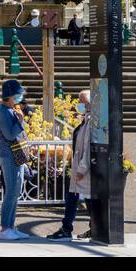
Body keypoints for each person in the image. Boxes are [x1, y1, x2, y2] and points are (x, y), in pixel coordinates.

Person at [47, 89, 93, 241]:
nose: (78, 104)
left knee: (82, 197)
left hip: (83, 168)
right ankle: (75, 227)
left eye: (81, 101)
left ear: (88, 103)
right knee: (79, 197)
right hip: (79, 166)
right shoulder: (86, 119)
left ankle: (69, 228)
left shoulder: (91, 121)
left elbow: (88, 148)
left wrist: (81, 169)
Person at [0, 79, 30, 240]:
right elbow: (9, 134)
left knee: (15, 191)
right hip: (9, 154)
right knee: (11, 192)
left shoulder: (8, 109)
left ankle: (10, 226)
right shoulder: (2, 111)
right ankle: (5, 228)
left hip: (13, 154)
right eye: (17, 95)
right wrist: (20, 121)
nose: (19, 98)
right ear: (9, 96)